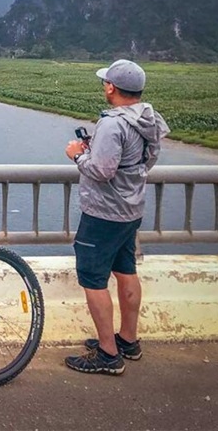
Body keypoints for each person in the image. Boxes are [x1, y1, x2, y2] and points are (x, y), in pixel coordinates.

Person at [64, 59, 169, 375]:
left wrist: (78, 155)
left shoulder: (112, 124)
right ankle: (128, 340)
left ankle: (108, 354)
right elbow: (146, 161)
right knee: (126, 270)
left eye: (104, 82)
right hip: (131, 210)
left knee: (93, 278)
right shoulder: (147, 118)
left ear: (111, 86)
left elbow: (102, 171)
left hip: (104, 214)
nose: (103, 87)